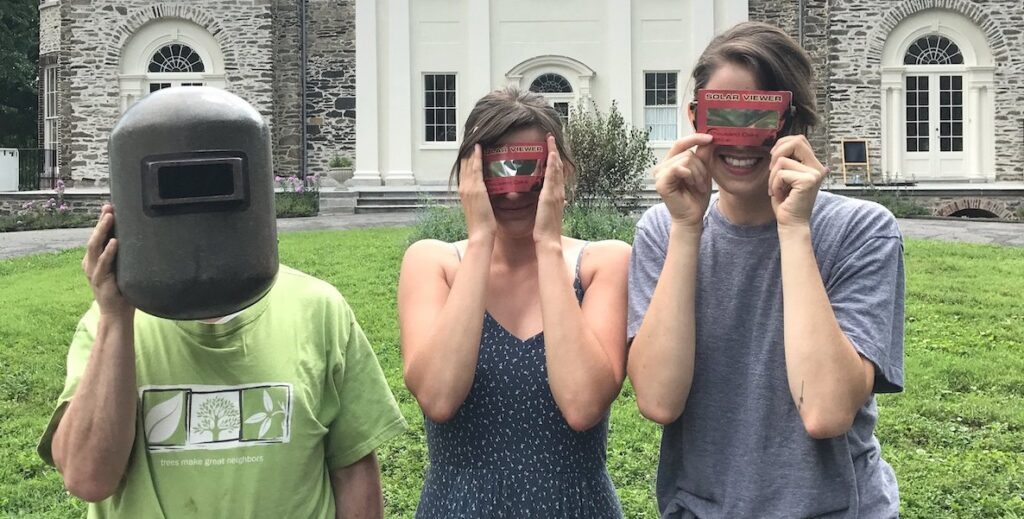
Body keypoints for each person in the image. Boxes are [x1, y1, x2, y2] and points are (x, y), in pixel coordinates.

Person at [626, 22, 905, 518]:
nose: (740, 140)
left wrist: (794, 228)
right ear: (694, 117)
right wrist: (687, 229)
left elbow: (825, 411)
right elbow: (659, 401)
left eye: (759, 117)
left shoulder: (862, 232)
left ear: (793, 122)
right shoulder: (662, 230)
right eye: (721, 114)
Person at [37, 204, 407, 518]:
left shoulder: (318, 309)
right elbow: (87, 478)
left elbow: (353, 470)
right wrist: (115, 319)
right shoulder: (111, 324)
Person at [398, 87, 631, 518]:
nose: (511, 192)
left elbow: (582, 405)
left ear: (559, 172)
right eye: (496, 171)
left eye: (529, 170)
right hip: (459, 507)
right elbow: (439, 397)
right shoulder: (433, 263)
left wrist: (547, 243)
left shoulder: (603, 264)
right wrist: (481, 240)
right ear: (469, 175)